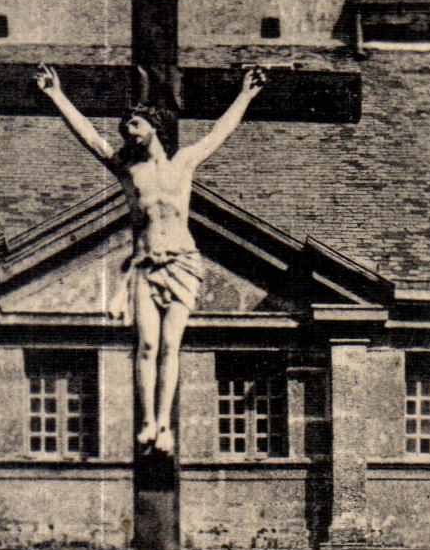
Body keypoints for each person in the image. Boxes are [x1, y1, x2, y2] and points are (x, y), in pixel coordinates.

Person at [36, 64, 266, 454]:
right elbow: (91, 138)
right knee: (146, 345)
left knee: (171, 346)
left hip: (182, 264)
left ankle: (164, 425)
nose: (128, 132)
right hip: (145, 266)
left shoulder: (184, 165)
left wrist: (245, 95)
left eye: (135, 125)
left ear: (153, 127)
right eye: (126, 128)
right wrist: (57, 96)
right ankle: (147, 421)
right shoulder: (129, 173)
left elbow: (219, 133)